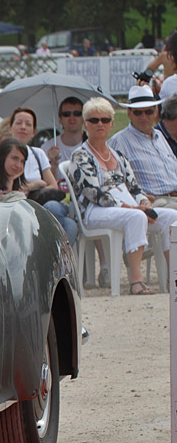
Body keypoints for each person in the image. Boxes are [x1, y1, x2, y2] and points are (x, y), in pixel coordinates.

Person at [70, 97, 177, 295]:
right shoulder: (80, 155)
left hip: (127, 207)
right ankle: (136, 281)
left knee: (171, 217)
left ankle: (173, 278)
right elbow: (93, 193)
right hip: (96, 211)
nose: (100, 124)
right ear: (86, 124)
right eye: (94, 120)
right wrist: (134, 209)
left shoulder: (117, 154)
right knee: (136, 217)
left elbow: (134, 187)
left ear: (111, 123)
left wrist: (144, 202)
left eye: (105, 119)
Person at [0, 138, 77, 245]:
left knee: (70, 224)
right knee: (64, 220)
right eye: (14, 158)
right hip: (9, 236)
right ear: (1, 157)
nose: (19, 165)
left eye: (22, 161)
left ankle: (53, 259)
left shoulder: (16, 184)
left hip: (24, 231)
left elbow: (48, 185)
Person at [108, 85, 177, 210]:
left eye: (148, 111)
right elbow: (112, 182)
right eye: (138, 112)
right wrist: (137, 197)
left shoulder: (159, 136)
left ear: (156, 111)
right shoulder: (119, 141)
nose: (143, 117)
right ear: (129, 113)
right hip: (154, 201)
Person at [7, 108, 57, 190]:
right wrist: (33, 185)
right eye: (19, 123)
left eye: (28, 124)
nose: (23, 127)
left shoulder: (38, 153)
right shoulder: (2, 154)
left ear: (34, 132)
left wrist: (34, 188)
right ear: (10, 129)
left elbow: (53, 186)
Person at [42, 97, 86, 168]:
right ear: (60, 119)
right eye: (66, 114)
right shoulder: (47, 147)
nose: (72, 118)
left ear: (84, 118)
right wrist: (53, 164)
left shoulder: (93, 145)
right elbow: (44, 179)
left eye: (77, 113)